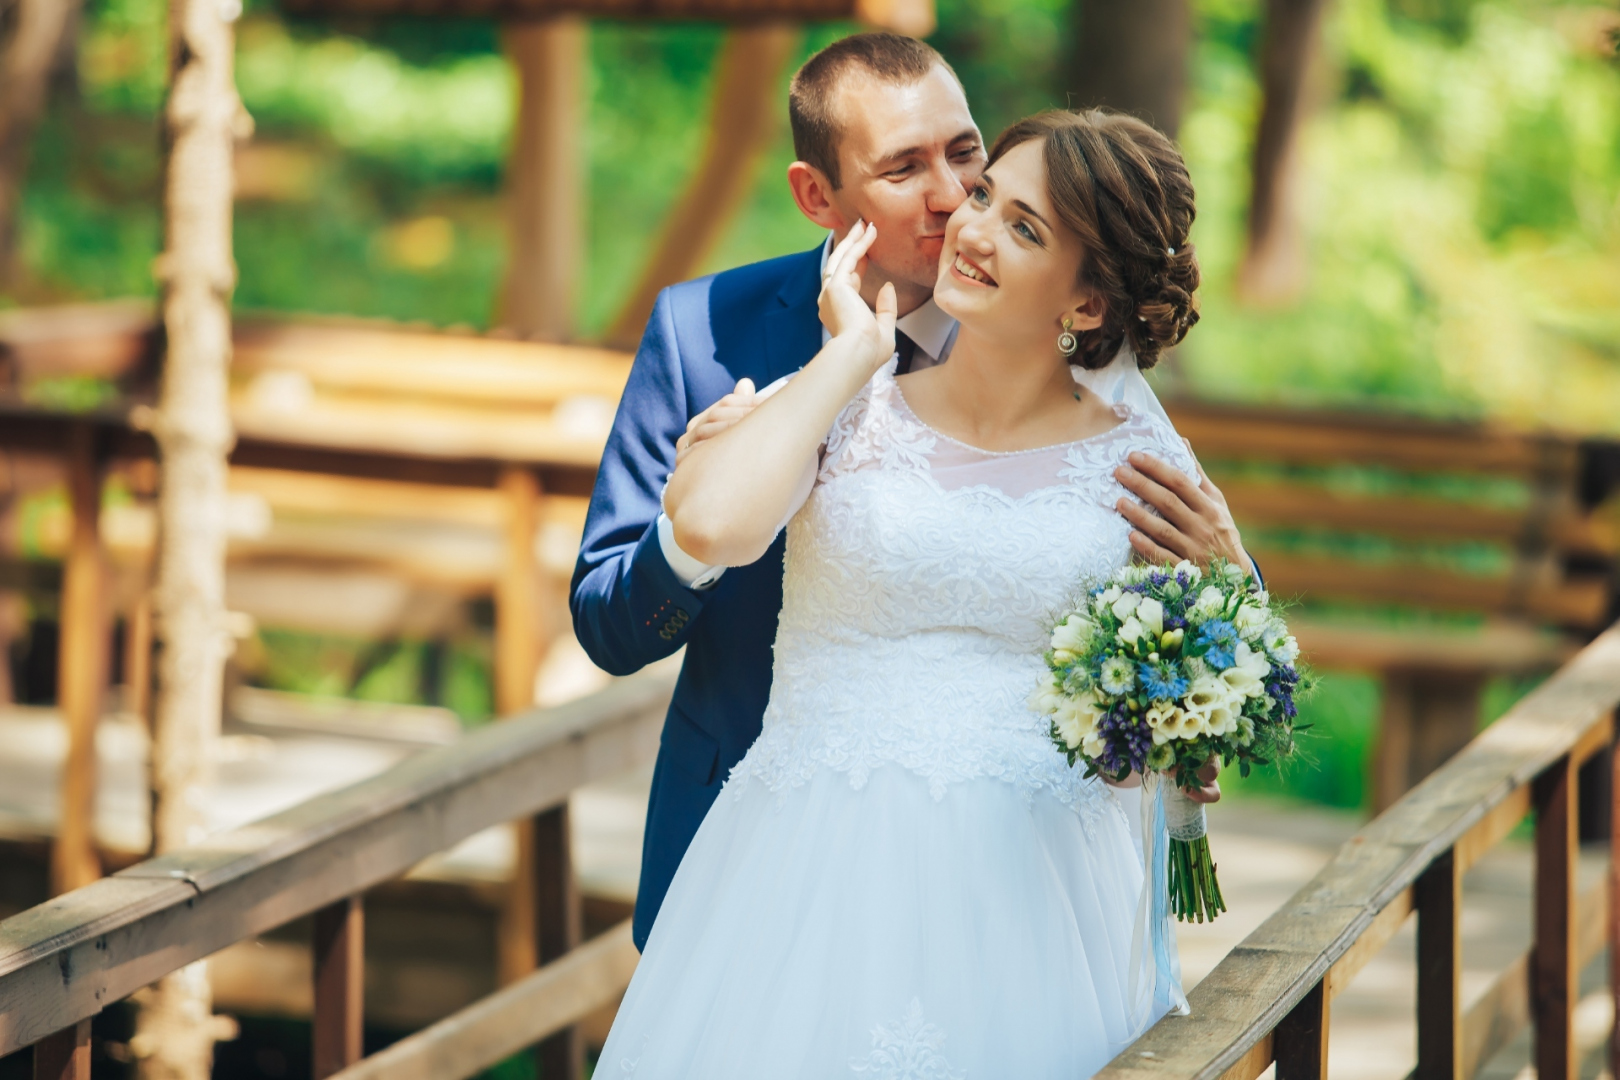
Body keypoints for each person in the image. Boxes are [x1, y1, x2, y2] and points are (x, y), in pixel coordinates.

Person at [569, 33, 1251, 954]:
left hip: (1016, 885)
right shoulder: (704, 335)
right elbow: (611, 621)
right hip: (759, 846)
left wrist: (1214, 627)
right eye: (903, 169)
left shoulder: (1099, 402)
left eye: (966, 156)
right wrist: (702, 517)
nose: (949, 199)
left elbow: (1181, 591)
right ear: (819, 196)